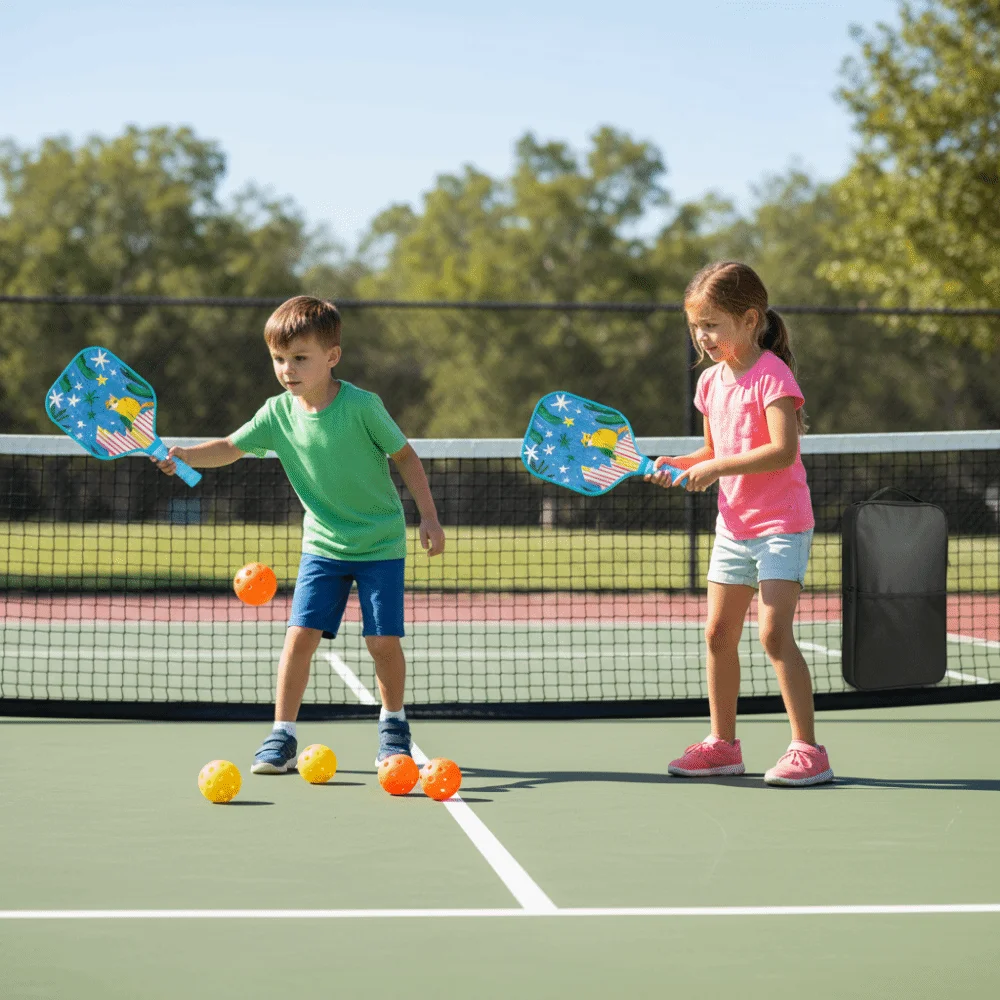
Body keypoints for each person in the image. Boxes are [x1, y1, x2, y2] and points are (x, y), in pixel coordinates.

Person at [153, 295, 445, 772]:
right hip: (323, 547)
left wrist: (428, 517)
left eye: (300, 358)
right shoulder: (276, 414)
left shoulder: (362, 406)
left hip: (380, 544)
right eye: (279, 359)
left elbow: (406, 457)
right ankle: (281, 736)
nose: (287, 369)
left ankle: (394, 725)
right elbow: (230, 447)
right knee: (299, 637)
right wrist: (184, 453)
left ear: (332, 357)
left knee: (382, 642)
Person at [648, 261, 833, 787]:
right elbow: (712, 449)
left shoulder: (773, 375)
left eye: (712, 324)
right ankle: (723, 745)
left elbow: (781, 450)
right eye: (695, 327)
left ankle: (808, 749)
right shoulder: (709, 382)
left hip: (781, 524)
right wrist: (677, 465)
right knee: (717, 635)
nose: (702, 337)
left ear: (750, 319)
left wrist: (711, 469)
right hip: (733, 527)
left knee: (774, 636)